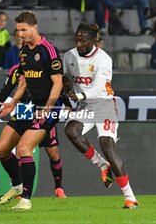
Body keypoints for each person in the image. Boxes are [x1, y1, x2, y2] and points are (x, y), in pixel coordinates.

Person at [0, 11, 64, 210]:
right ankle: (17, 185)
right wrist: (13, 102)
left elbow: (58, 83)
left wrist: (47, 109)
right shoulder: (24, 51)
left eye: (23, 30)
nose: (20, 34)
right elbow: (24, 81)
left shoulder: (49, 50)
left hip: (49, 107)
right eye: (17, 30)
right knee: (1, 149)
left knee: (23, 149)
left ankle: (26, 200)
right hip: (29, 106)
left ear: (34, 27)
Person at [63, 23, 138, 209]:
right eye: (77, 39)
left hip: (104, 104)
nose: (78, 43)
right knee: (71, 130)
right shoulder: (69, 56)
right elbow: (65, 78)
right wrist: (68, 91)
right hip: (84, 105)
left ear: (93, 41)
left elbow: (98, 86)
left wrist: (80, 95)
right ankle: (103, 166)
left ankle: (130, 198)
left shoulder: (103, 59)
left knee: (107, 146)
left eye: (83, 40)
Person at [0, 64, 67, 199]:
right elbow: (6, 90)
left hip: (42, 112)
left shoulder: (46, 66)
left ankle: (58, 187)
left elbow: (59, 86)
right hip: (24, 110)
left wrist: (66, 105)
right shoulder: (16, 70)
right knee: (16, 150)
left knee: (52, 152)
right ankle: (19, 187)